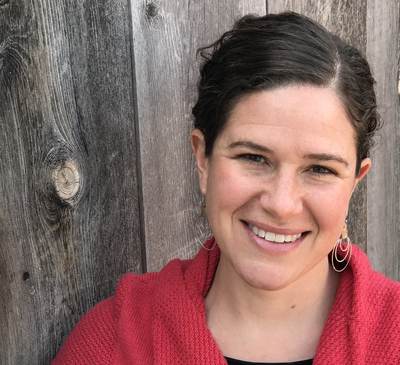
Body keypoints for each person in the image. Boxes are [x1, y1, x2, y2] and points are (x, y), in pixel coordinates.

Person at [53, 12, 400, 365]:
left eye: (320, 169)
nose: (282, 204)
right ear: (203, 159)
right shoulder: (111, 343)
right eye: (253, 157)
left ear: (356, 181)